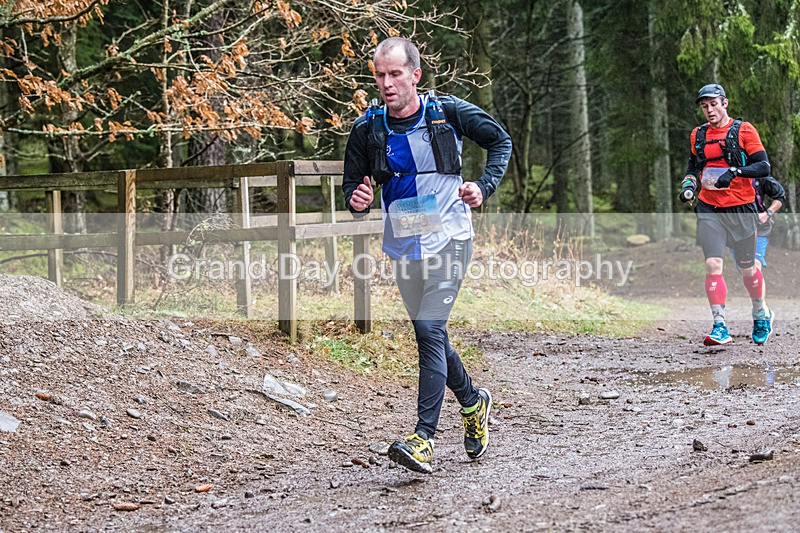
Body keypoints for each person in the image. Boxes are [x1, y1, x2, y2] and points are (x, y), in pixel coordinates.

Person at [342, 37, 512, 473]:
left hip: (451, 240)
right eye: (379, 75)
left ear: (415, 75)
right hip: (404, 245)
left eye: (395, 73)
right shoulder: (368, 128)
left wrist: (483, 186)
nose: (386, 83)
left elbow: (501, 142)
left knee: (429, 329)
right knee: (431, 335)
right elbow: (352, 186)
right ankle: (474, 402)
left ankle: (424, 439)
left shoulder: (448, 112)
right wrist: (356, 198)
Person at [679, 83, 774, 346]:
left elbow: (763, 166)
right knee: (713, 264)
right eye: (704, 106)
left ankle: (760, 313)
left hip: (742, 208)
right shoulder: (698, 135)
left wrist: (734, 172)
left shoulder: (743, 130)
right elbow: (693, 167)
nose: (709, 110)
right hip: (709, 207)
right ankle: (719, 325)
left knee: (748, 270)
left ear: (725, 103)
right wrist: (688, 186)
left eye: (713, 104)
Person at [730, 175, 785, 270]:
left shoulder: (760, 176)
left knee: (755, 265)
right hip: (736, 230)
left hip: (759, 228)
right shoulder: (727, 176)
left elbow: (780, 196)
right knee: (744, 269)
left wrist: (768, 213)